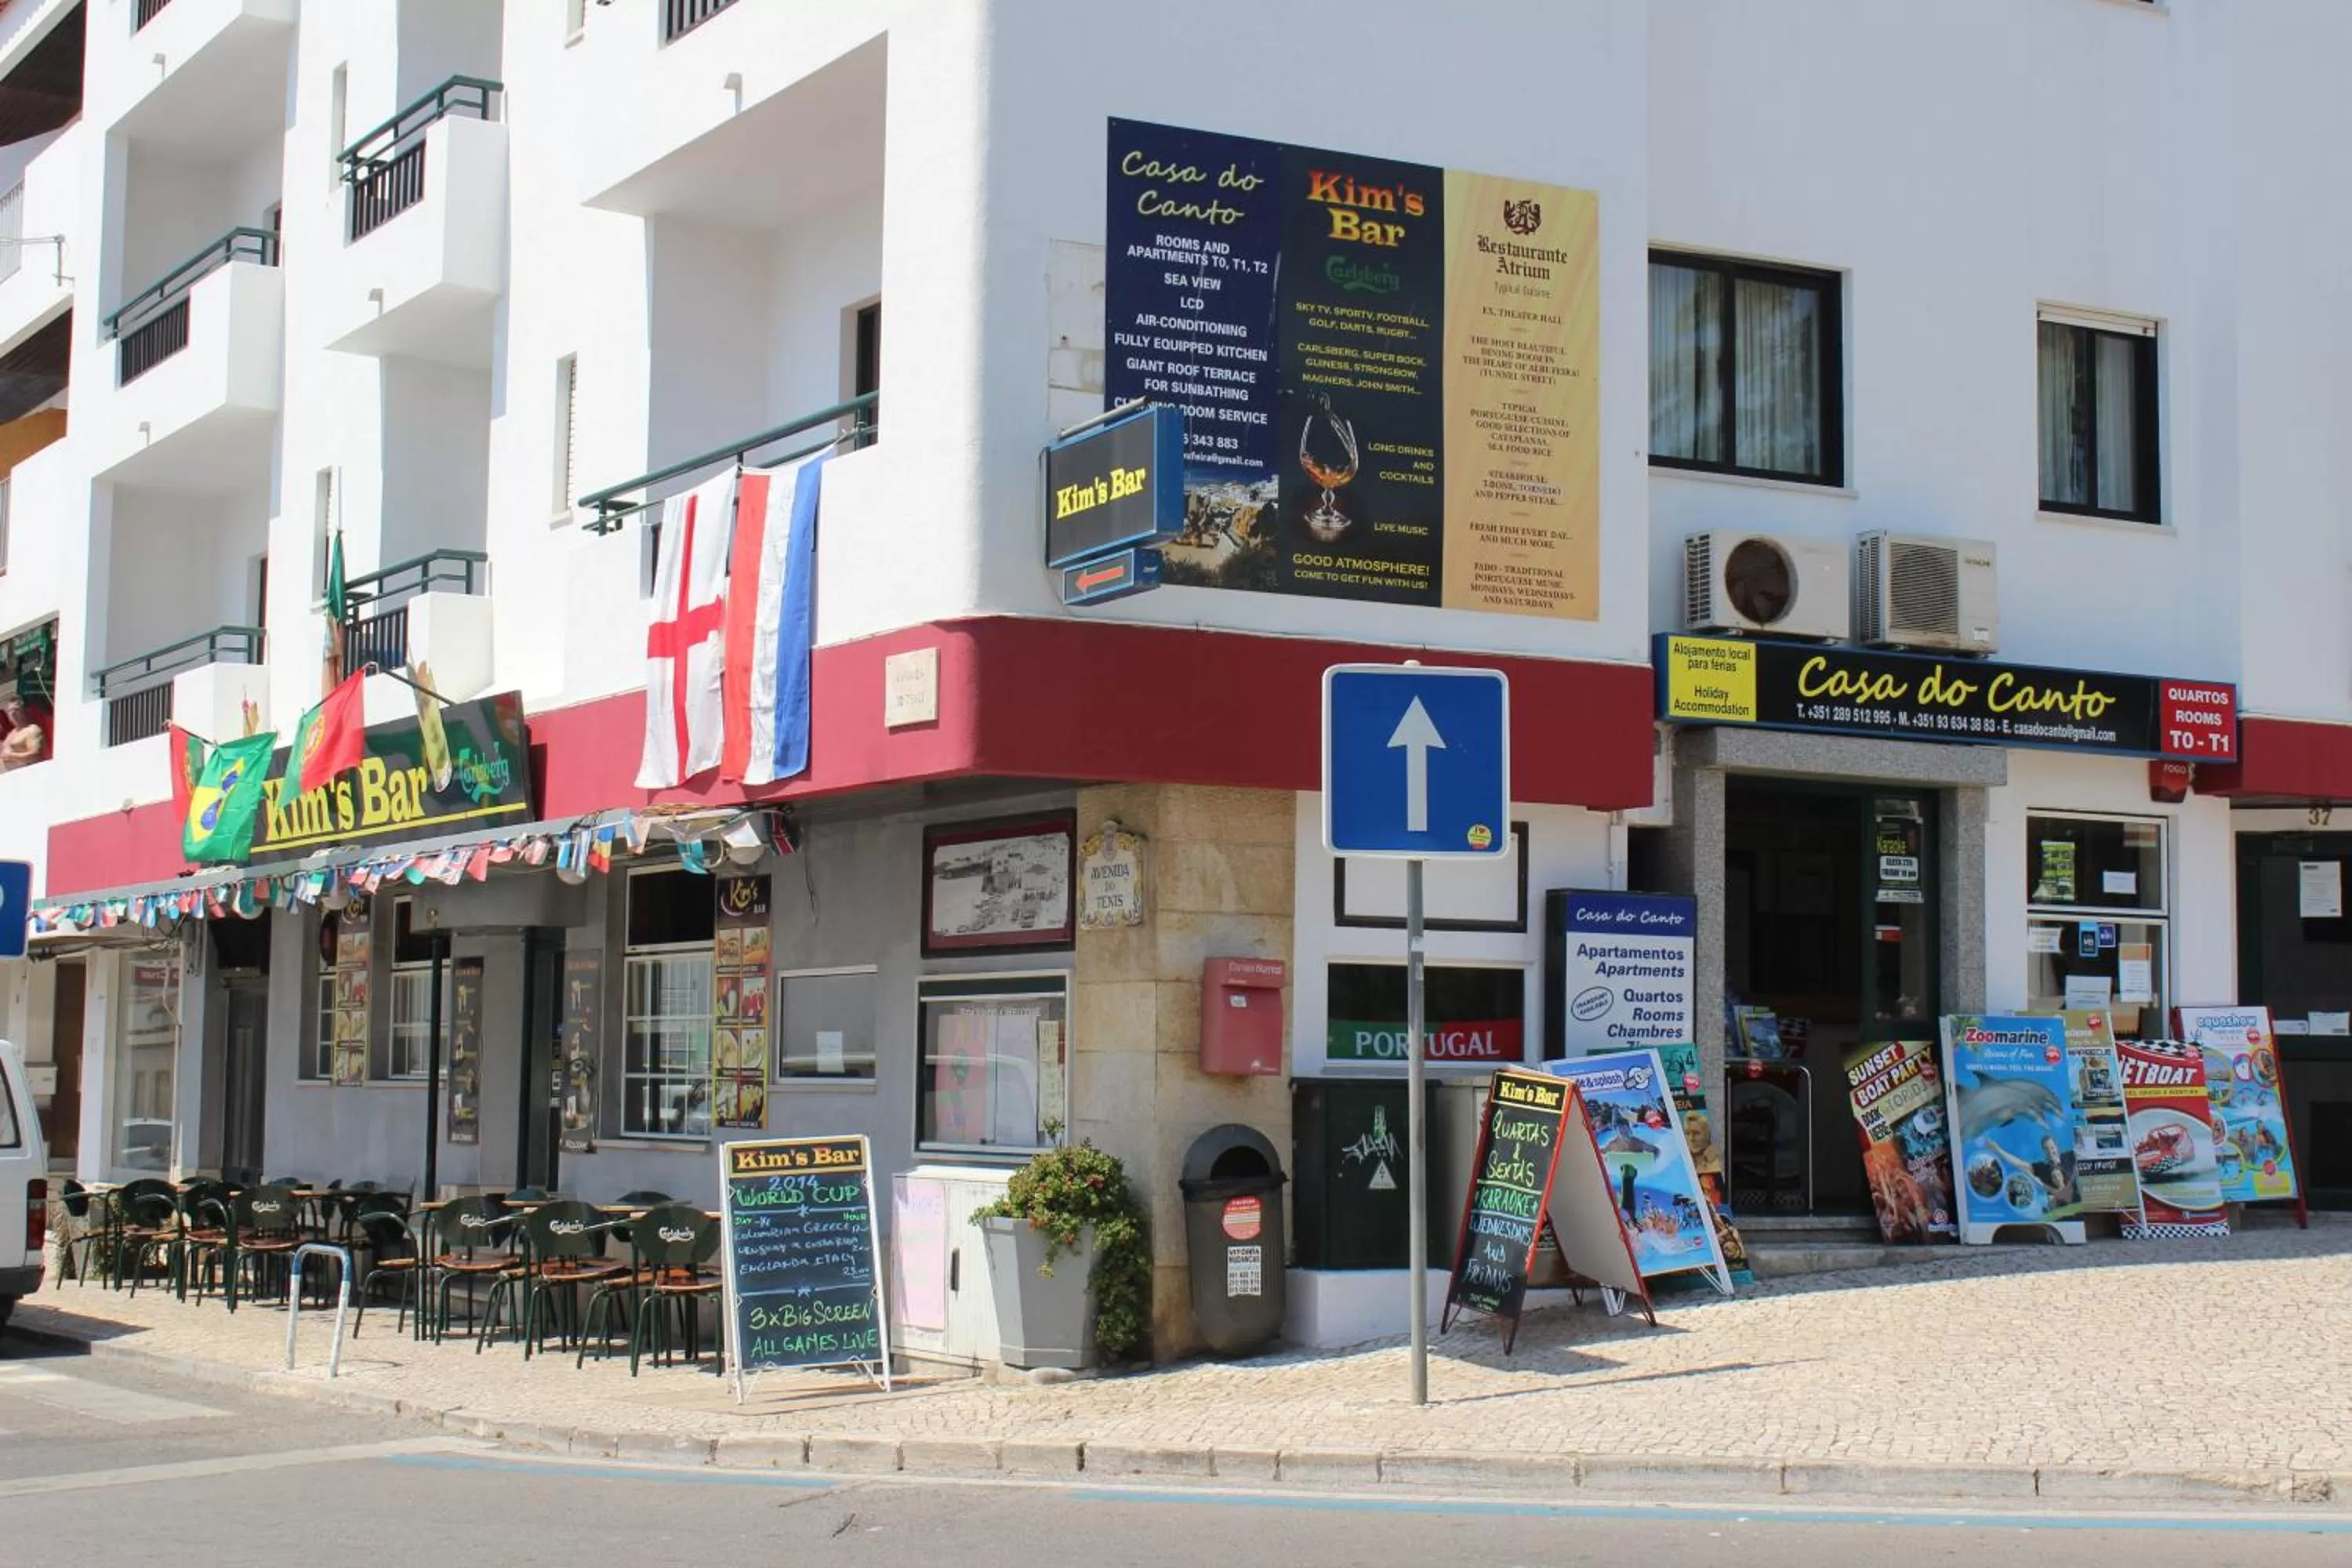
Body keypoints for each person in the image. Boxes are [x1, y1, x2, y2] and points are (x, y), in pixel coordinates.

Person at [1994, 1134, 2080, 1209]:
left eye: (2052, 1147)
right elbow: (2020, 1164)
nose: (2050, 1151)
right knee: (2050, 1199)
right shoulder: (2041, 1168)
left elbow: (2082, 1150)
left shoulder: (2069, 1156)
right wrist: (1998, 1150)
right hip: (2058, 1203)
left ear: (2056, 1147)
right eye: (2046, 1149)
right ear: (2043, 1151)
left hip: (2076, 1197)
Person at [0, 699, 43, 770]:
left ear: (24, 711)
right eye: (10, 711)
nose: (13, 713)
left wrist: (11, 756)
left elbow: (35, 755)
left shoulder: (32, 729)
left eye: (16, 710)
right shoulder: (11, 733)